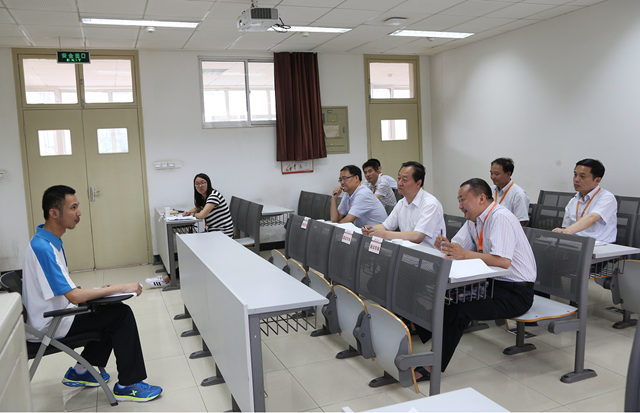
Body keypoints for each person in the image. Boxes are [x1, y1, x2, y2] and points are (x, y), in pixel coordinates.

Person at [22, 185, 163, 402]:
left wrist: (101, 293)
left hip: (55, 315)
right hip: (49, 324)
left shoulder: (48, 241)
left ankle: (81, 372)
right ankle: (128, 385)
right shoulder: (44, 248)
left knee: (109, 308)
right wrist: (121, 287)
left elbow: (66, 289)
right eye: (73, 207)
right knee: (120, 315)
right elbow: (74, 297)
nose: (79, 212)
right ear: (54, 212)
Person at [412, 178, 536, 381]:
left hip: (516, 292)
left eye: (463, 200)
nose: (460, 206)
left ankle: (432, 365)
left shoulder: (501, 217)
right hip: (492, 284)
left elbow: (503, 262)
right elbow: (458, 248)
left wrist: (463, 254)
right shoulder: (474, 220)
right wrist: (445, 246)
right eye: (459, 200)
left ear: (481, 198)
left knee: (461, 309)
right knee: (446, 296)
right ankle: (420, 329)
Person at [146, 173, 233, 287]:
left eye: (203, 183)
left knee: (193, 251)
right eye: (197, 184)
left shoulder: (214, 196)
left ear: (208, 183)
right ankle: (172, 276)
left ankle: (167, 278)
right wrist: (189, 212)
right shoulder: (204, 197)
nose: (200, 186)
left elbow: (202, 215)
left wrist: (193, 214)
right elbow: (198, 208)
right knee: (190, 248)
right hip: (213, 232)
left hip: (222, 234)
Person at [362, 161, 444, 248]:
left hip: (428, 254)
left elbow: (417, 236)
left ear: (418, 183)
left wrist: (385, 234)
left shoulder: (430, 204)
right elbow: (385, 226)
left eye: (404, 180)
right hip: (407, 251)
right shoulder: (401, 202)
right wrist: (371, 229)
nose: (399, 183)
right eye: (399, 178)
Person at [553, 159, 617, 243]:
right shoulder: (573, 200)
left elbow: (592, 217)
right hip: (575, 243)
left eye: (582, 176)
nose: (576, 179)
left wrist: (568, 231)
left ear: (597, 180)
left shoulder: (606, 197)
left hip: (598, 244)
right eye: (575, 175)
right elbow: (565, 228)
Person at [490, 157, 530, 226]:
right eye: (491, 173)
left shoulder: (519, 195)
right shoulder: (490, 190)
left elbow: (521, 223)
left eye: (496, 174)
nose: (492, 177)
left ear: (508, 174)